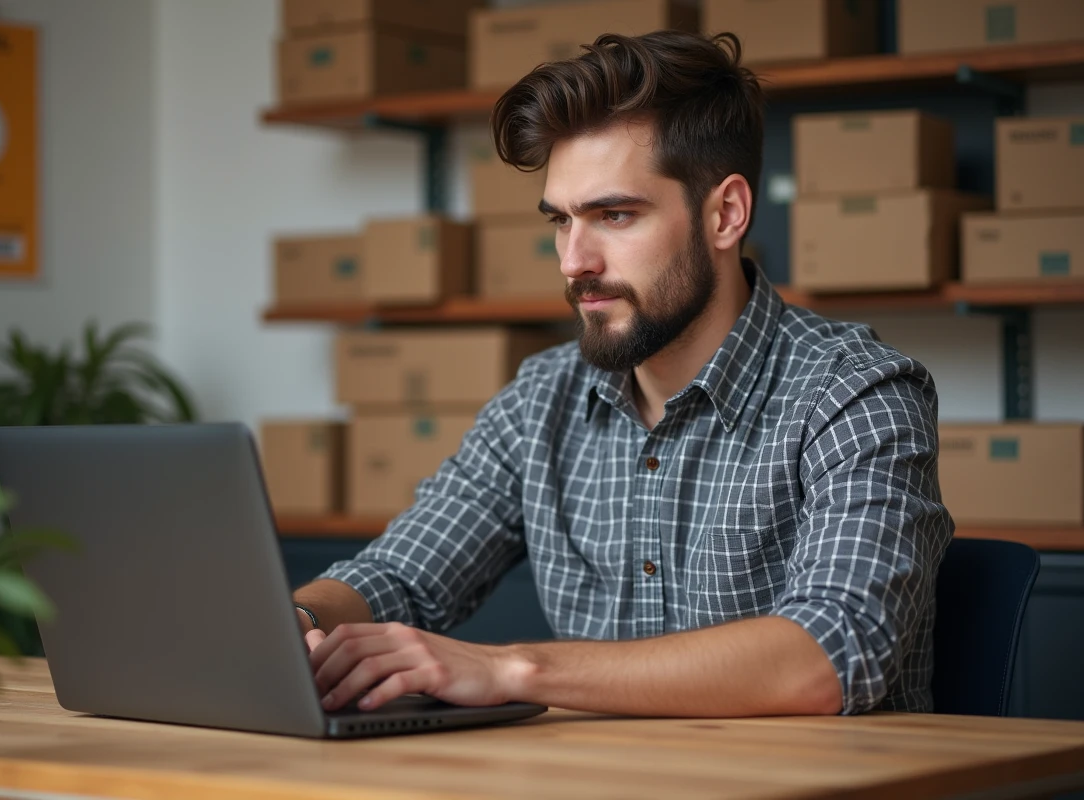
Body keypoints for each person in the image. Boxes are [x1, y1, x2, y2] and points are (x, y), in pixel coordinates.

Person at [293, 30, 953, 718]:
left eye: (614, 215)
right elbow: (400, 574)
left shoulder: (856, 394)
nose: (574, 261)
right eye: (561, 221)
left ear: (725, 214)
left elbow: (829, 656)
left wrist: (514, 668)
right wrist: (300, 621)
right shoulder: (540, 400)